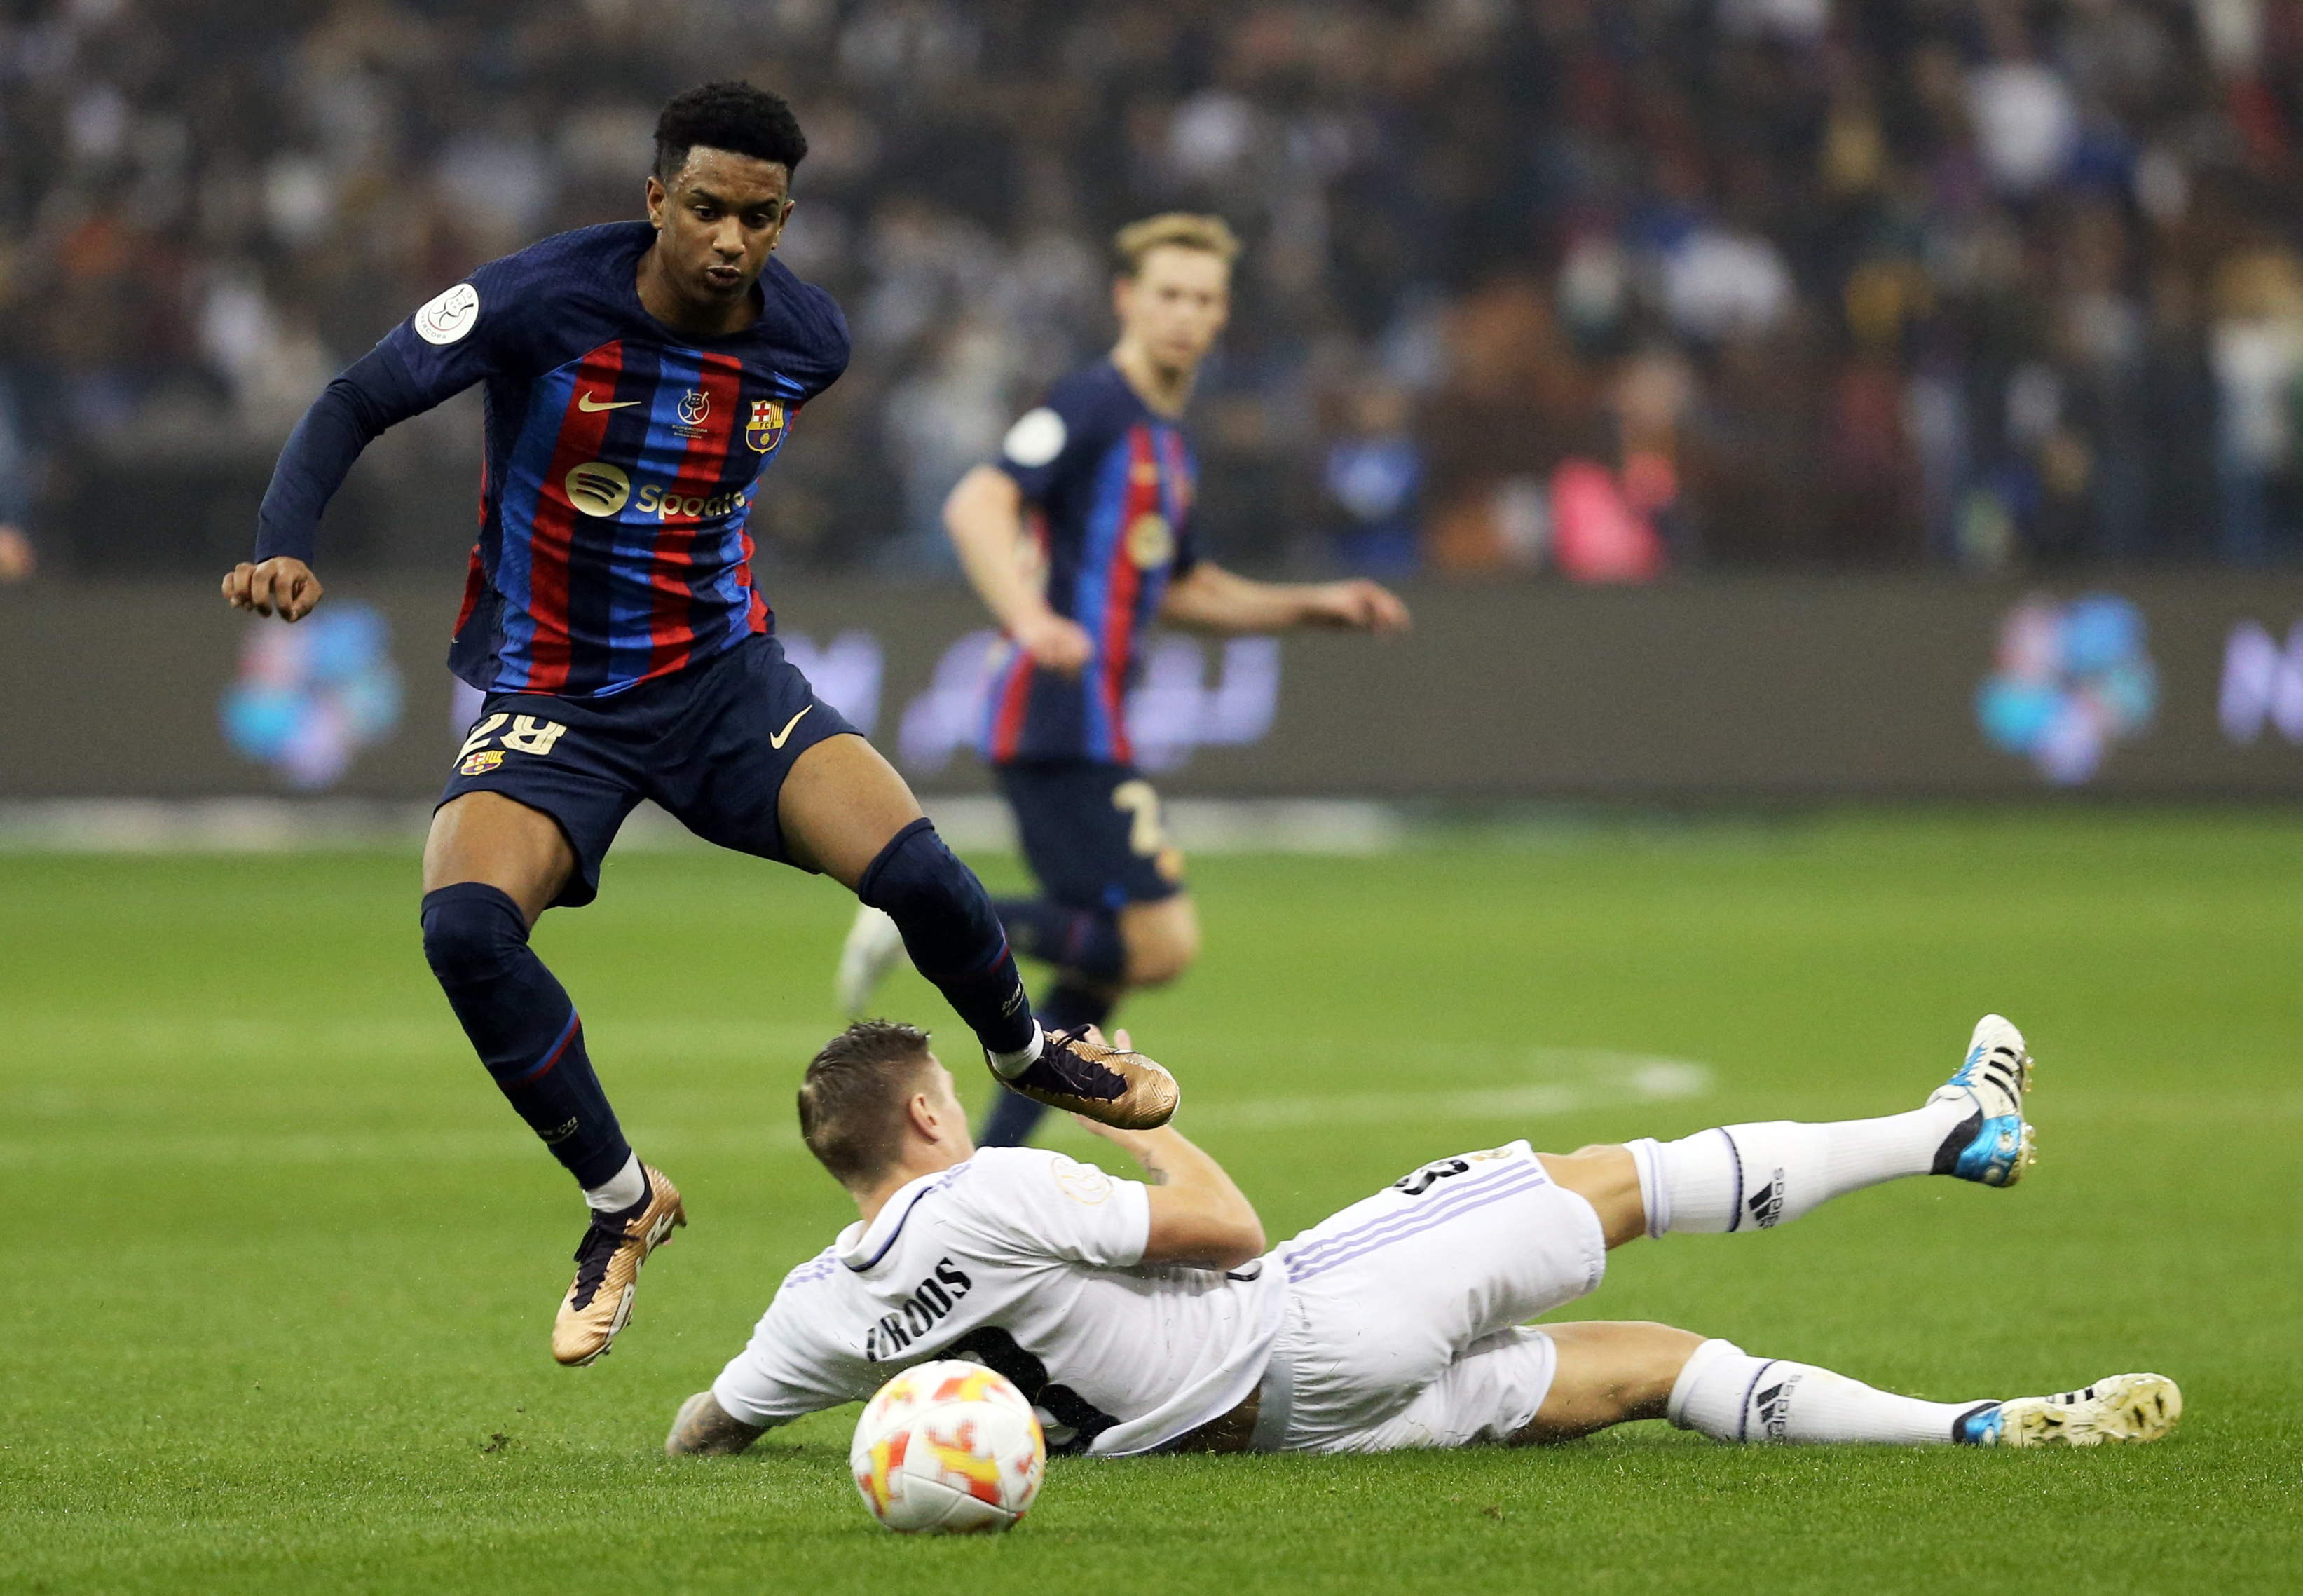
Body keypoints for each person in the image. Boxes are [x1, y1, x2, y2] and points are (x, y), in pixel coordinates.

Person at [219, 82, 1179, 1370]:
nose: (732, 240)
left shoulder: (810, 339)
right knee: (463, 929)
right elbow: (354, 397)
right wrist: (284, 540)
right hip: (558, 693)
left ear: (786, 220)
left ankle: (1026, 1050)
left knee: (916, 869)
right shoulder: (536, 300)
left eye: (761, 218)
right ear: (657, 198)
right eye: (709, 208)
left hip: (724, 680)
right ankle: (623, 1202)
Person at [666, 1014, 2179, 1459]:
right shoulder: (988, 1187)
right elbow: (1225, 1228)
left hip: (1280, 1436)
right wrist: (1123, 1106)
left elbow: (703, 1426)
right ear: (927, 1112)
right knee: (1613, 1177)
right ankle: (1945, 1131)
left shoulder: (816, 1309)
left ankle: (1968, 1428)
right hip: (1305, 1323)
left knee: (1650, 1367)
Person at [835, 213, 1411, 1150]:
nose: (1184, 313)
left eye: (1202, 298)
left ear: (1222, 314)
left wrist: (1310, 605)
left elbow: (1183, 588)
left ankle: (990, 1165)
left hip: (1091, 717)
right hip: (1053, 711)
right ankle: (927, 919)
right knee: (1160, 942)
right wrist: (1031, 618)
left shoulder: (1167, 441)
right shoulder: (1092, 404)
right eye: (1167, 294)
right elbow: (976, 502)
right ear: (1126, 300)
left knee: (1102, 966)